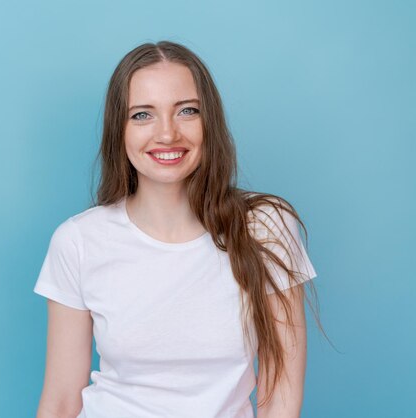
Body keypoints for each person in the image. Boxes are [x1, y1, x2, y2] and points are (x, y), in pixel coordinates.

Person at [33, 40, 322, 418]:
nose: (167, 134)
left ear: (210, 122)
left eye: (187, 111)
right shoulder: (78, 241)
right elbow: (61, 400)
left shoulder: (265, 226)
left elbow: (281, 390)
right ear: (118, 130)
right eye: (142, 115)